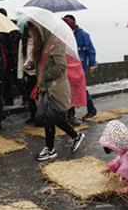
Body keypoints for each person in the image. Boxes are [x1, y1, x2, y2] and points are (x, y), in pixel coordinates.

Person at [27, 20, 85, 161]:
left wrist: (43, 77)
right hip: (47, 87)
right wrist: (32, 65)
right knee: (53, 118)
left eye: (34, 31)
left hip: (56, 88)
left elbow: (61, 67)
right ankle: (74, 137)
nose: (31, 34)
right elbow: (44, 65)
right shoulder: (42, 44)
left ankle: (51, 149)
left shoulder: (56, 43)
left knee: (50, 118)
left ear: (41, 30)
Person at [63, 15, 97, 121]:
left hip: (80, 67)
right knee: (69, 89)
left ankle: (90, 110)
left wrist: (92, 64)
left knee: (80, 89)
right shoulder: (64, 35)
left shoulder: (83, 35)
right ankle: (71, 114)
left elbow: (90, 50)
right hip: (68, 67)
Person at [0, 8, 21, 106]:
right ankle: (11, 99)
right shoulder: (13, 25)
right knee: (12, 79)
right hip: (11, 57)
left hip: (8, 57)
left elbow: (11, 42)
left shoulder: (3, 27)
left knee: (8, 80)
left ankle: (9, 99)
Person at [17, 23, 37, 124]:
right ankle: (33, 115)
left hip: (38, 73)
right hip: (28, 73)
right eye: (29, 30)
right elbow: (20, 58)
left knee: (38, 96)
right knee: (30, 95)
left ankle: (41, 115)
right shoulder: (23, 42)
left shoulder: (39, 42)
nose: (31, 32)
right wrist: (20, 74)